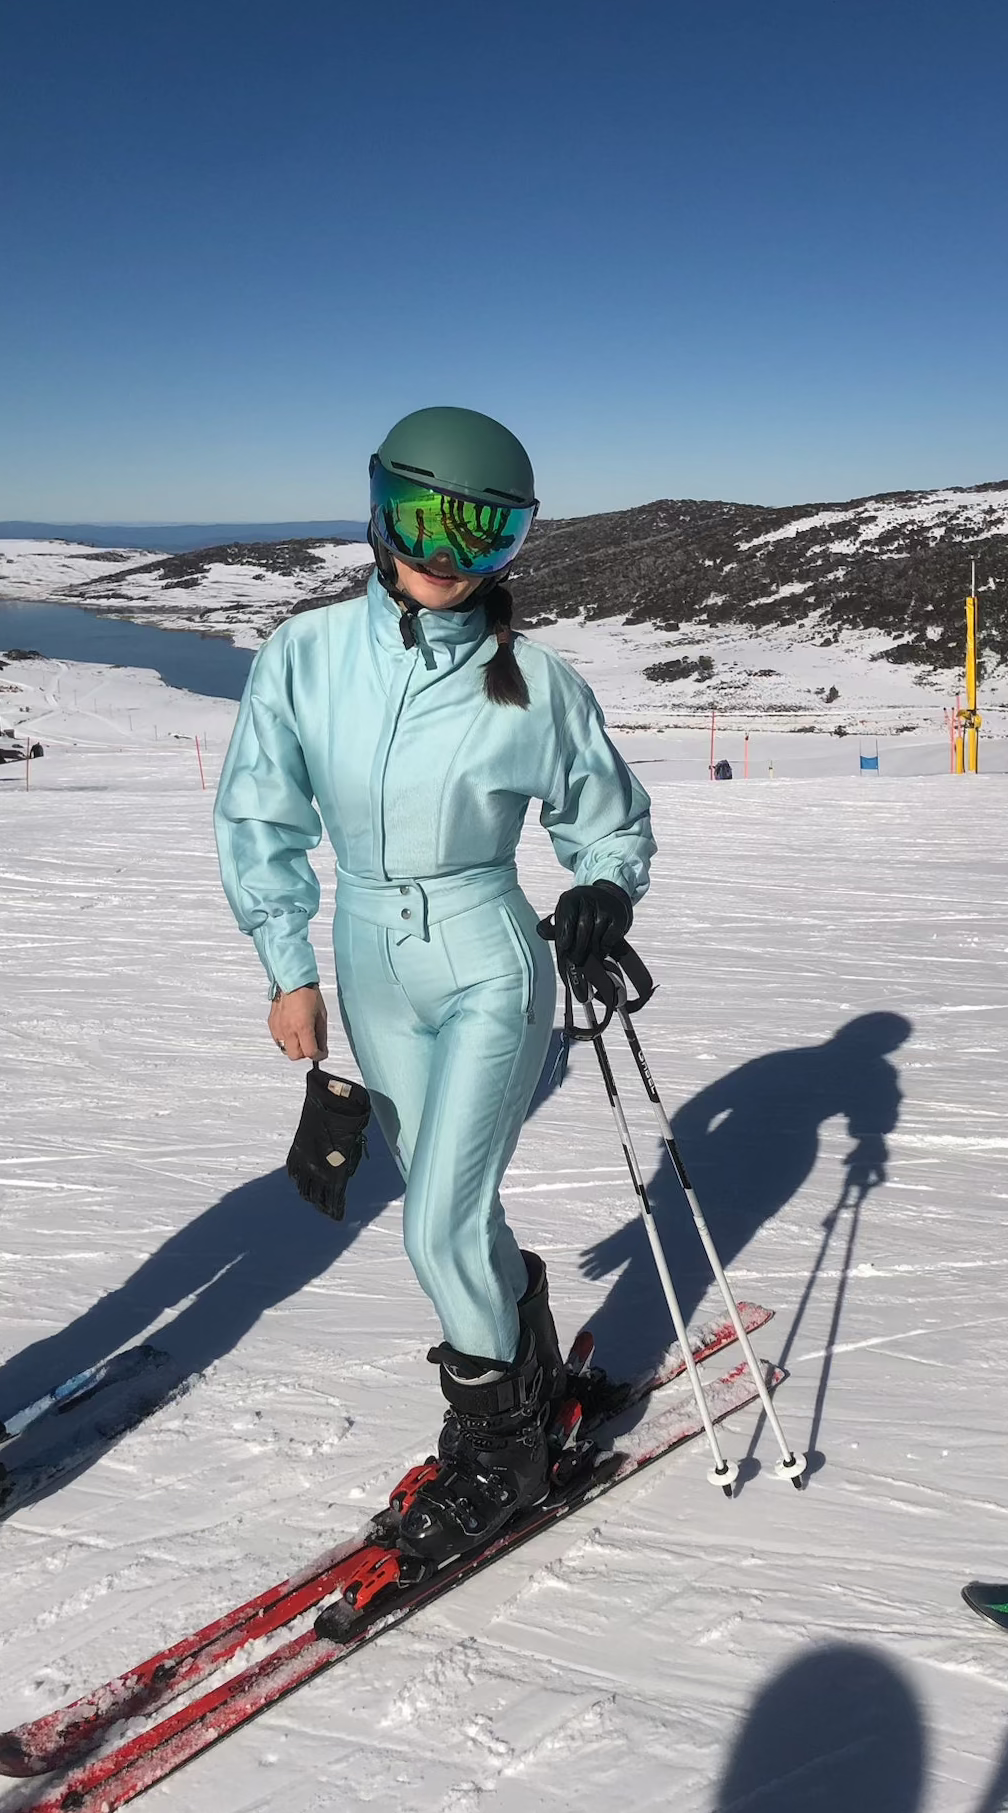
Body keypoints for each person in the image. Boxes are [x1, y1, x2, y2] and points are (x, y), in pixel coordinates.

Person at [214, 406, 654, 1570]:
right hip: (367, 956)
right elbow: (261, 814)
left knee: (437, 1223)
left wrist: (604, 889)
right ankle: (538, 1377)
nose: (448, 557)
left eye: (486, 534)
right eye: (427, 520)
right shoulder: (303, 656)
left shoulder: (536, 682)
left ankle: (499, 1453)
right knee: (461, 1212)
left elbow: (603, 819)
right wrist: (285, 965)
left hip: (484, 957)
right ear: (379, 511)